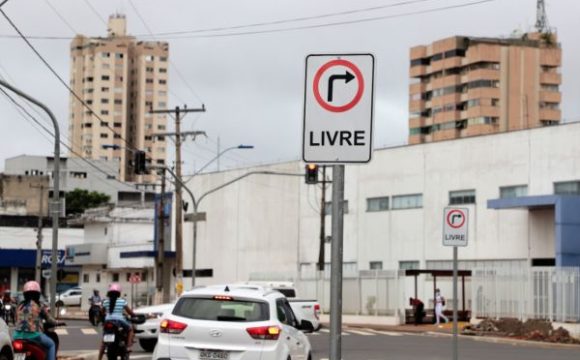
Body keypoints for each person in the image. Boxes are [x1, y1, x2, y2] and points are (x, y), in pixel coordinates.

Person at [13, 281, 56, 360]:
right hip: (33, 336)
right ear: (37, 295)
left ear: (25, 294)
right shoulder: (39, 305)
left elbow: (16, 319)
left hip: (17, 336)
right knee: (51, 344)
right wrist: (56, 323)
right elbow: (49, 319)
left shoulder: (20, 305)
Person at [98, 284, 135, 360]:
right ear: (119, 293)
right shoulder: (122, 301)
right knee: (130, 329)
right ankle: (128, 347)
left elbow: (101, 312)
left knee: (104, 341)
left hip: (108, 321)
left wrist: (105, 315)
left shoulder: (105, 301)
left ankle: (99, 358)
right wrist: (134, 315)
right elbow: (129, 312)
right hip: (120, 321)